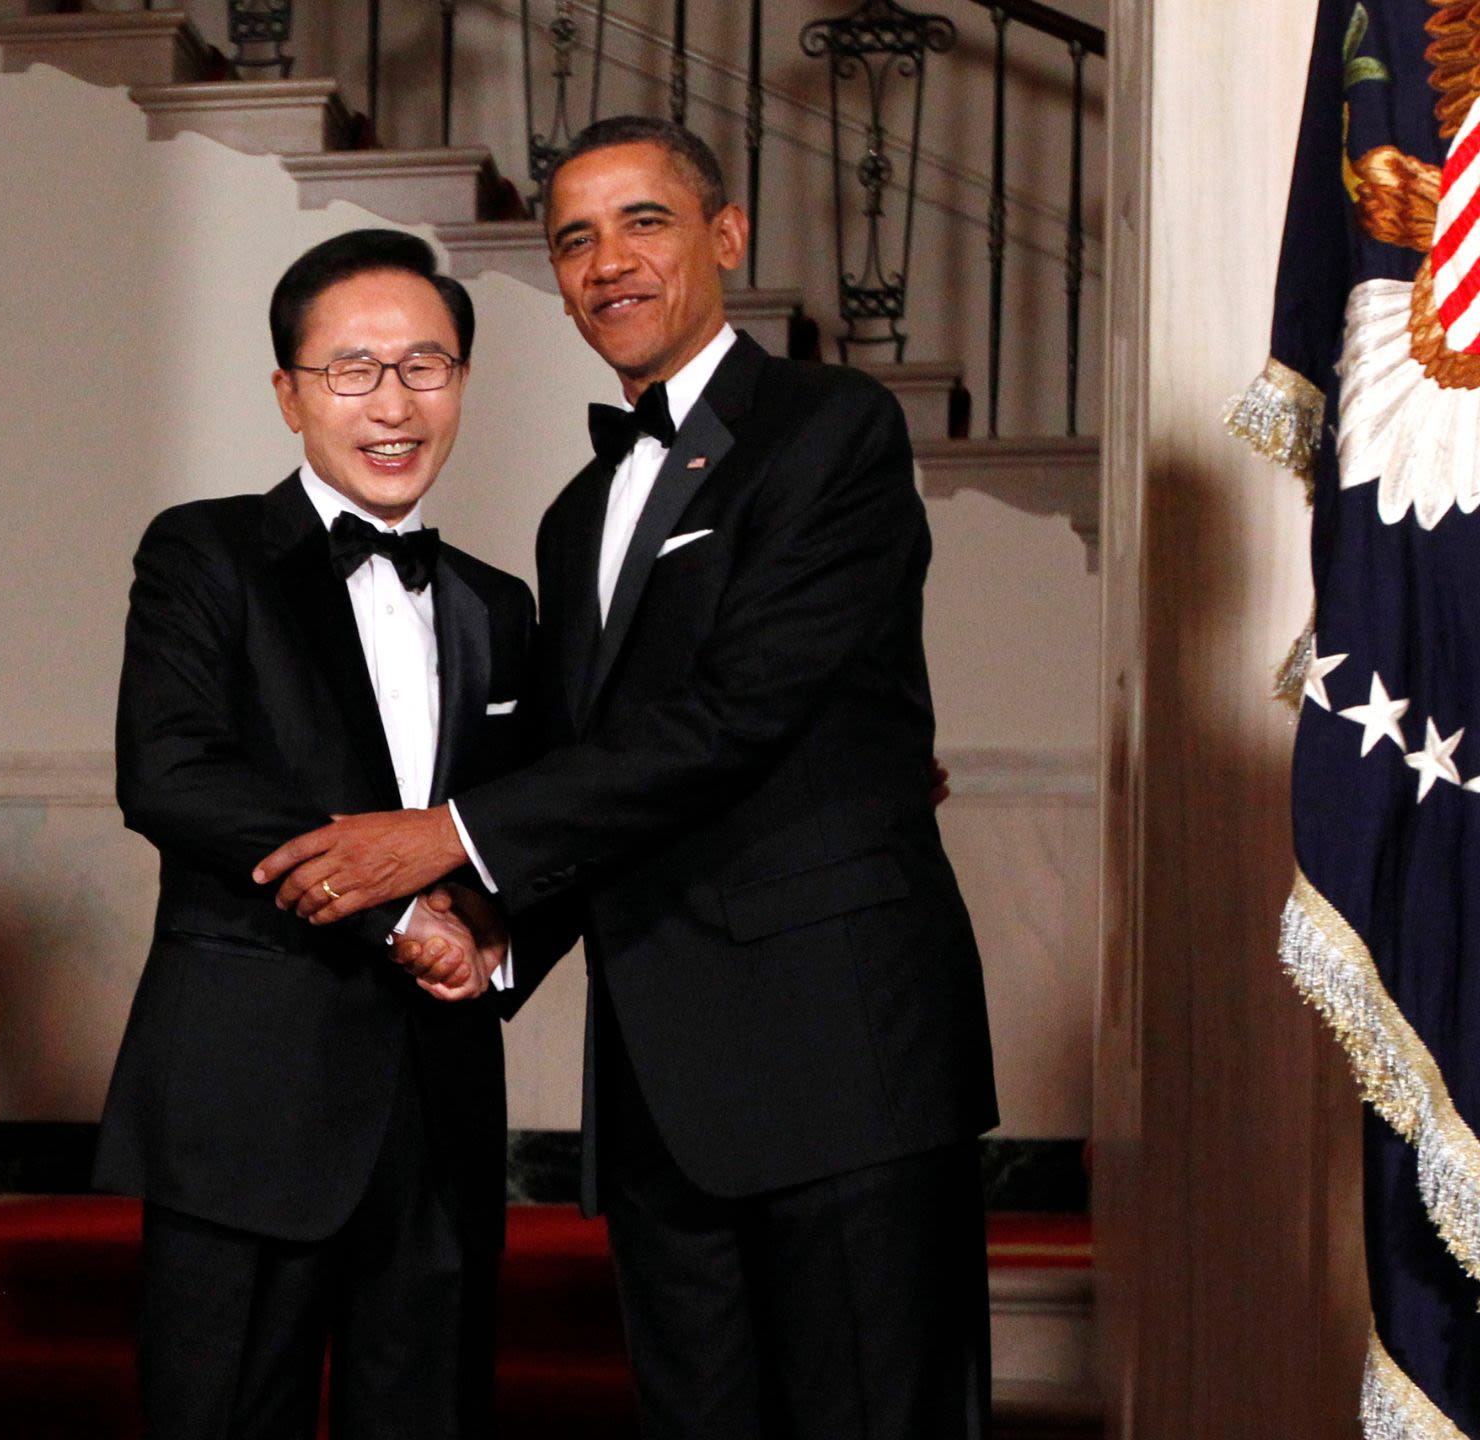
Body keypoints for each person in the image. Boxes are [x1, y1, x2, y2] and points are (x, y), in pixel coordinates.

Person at [254, 118, 1000, 1439]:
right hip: (661, 1081)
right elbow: (593, 773)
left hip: (842, 1058)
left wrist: (448, 837)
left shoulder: (832, 430)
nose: (608, 262)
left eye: (643, 221)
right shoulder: (576, 515)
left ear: (727, 235)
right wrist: (490, 937)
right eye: (574, 238)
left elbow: (738, 718)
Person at [95, 228, 537, 1440]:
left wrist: (493, 943)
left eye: (425, 366)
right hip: (250, 1094)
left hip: (440, 1104)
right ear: (288, 393)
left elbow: (526, 819)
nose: (392, 404)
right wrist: (397, 913)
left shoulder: (500, 604)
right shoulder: (203, 551)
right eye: (352, 371)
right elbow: (173, 773)